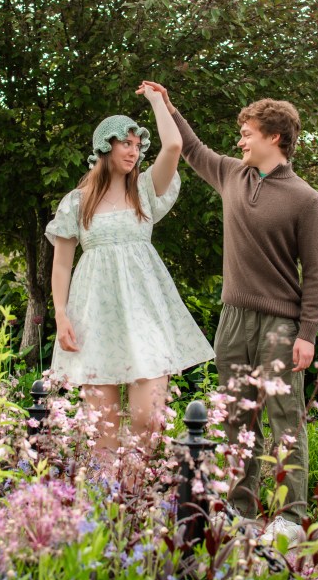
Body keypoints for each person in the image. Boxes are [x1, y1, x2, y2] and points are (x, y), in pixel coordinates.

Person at [141, 81, 318, 544]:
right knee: (237, 419)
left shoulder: (305, 199)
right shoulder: (230, 174)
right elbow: (191, 149)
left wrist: (307, 333)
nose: (239, 141)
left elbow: (314, 272)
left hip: (281, 325)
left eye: (247, 133)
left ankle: (290, 517)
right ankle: (240, 509)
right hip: (233, 319)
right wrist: (167, 105)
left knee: (285, 419)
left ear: (274, 137)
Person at [45, 83, 214, 457]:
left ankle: (138, 485)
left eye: (138, 145)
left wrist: (158, 101)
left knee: (148, 418)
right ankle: (106, 493)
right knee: (101, 427)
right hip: (95, 317)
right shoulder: (76, 202)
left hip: (145, 315)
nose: (134, 151)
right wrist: (60, 314)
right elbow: (62, 263)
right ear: (105, 146)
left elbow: (174, 146)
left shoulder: (145, 190)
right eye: (126, 143)